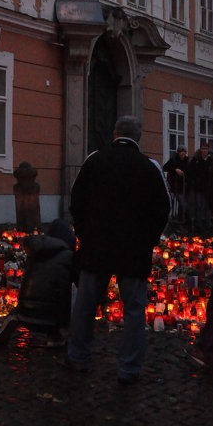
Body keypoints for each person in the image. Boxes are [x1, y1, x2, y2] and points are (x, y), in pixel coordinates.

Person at [67, 115, 170, 384]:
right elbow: (163, 209)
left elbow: (75, 199)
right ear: (138, 136)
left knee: (86, 305)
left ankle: (78, 357)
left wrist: (83, 233)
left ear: (114, 133)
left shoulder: (94, 160)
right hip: (134, 251)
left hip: (96, 247)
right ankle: (129, 368)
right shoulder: (150, 167)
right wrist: (149, 240)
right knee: (134, 311)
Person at [0, 219, 77, 350]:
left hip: (25, 309)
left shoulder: (36, 249)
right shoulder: (69, 256)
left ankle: (14, 317)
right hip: (52, 317)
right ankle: (56, 336)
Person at [187, 141, 213, 233]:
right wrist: (194, 181)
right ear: (200, 149)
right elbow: (190, 171)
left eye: (206, 149)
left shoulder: (211, 160)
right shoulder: (196, 160)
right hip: (198, 187)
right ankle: (199, 225)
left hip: (208, 188)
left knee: (207, 207)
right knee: (199, 206)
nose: (204, 151)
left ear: (208, 150)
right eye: (203, 149)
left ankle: (207, 224)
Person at [163, 146, 189, 225]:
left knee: (183, 205)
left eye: (184, 151)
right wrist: (175, 169)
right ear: (178, 152)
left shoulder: (187, 161)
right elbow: (165, 167)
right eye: (181, 151)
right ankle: (170, 222)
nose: (183, 153)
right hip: (173, 187)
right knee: (171, 205)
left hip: (182, 187)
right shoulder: (173, 160)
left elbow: (189, 172)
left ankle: (180, 222)